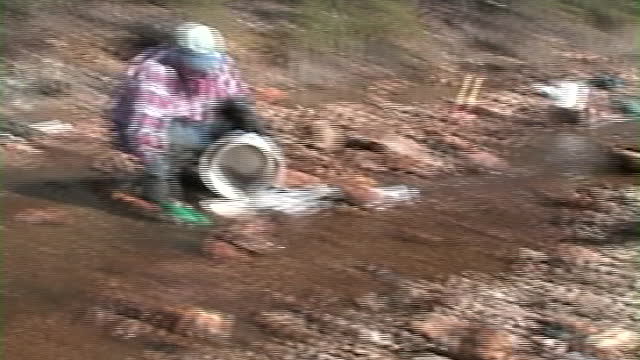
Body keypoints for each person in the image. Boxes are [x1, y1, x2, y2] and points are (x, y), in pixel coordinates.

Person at [112, 22, 266, 225]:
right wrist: (155, 166)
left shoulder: (220, 63)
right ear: (178, 54)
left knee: (235, 126)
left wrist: (247, 114)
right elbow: (146, 124)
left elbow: (235, 92)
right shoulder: (156, 71)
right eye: (195, 65)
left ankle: (196, 171)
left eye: (207, 64)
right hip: (156, 126)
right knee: (167, 155)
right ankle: (160, 184)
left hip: (196, 121)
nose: (203, 71)